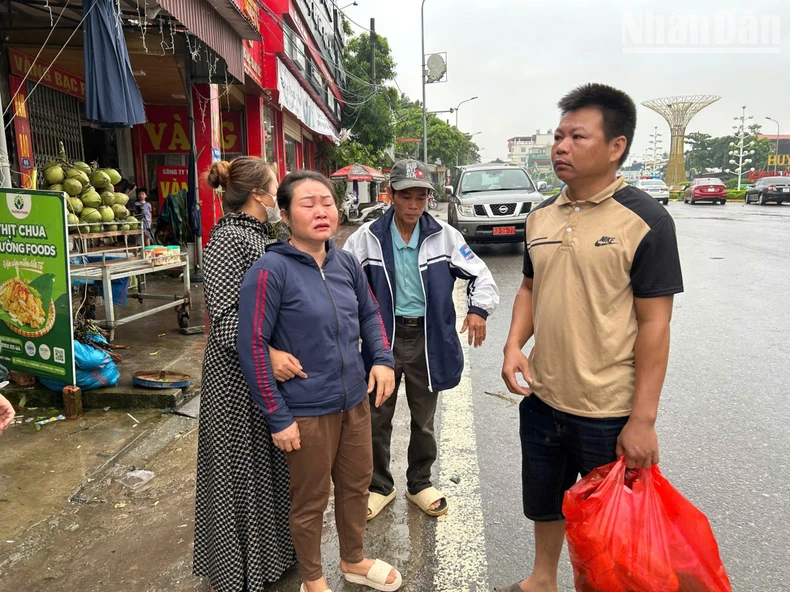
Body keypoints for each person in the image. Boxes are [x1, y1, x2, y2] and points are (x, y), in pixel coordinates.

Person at [496, 83, 683, 592]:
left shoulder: (645, 220)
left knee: (609, 520)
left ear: (616, 146)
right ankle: (541, 579)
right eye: (559, 135)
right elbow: (531, 288)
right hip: (544, 397)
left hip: (608, 408)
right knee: (546, 498)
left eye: (578, 136)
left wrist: (642, 419)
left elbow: (655, 324)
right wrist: (514, 344)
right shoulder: (540, 217)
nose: (562, 146)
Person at [238, 170, 402, 592]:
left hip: (354, 401)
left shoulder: (345, 260)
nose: (321, 211)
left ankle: (354, 559)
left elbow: (369, 313)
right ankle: (312, 579)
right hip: (307, 409)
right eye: (307, 204)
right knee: (310, 501)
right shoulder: (269, 270)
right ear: (286, 215)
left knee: (356, 485)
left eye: (327, 202)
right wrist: (277, 416)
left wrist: (381, 359)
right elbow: (252, 344)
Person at [343, 158, 500, 520]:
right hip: (380, 341)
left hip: (427, 340)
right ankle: (379, 485)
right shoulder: (366, 237)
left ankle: (420, 482)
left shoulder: (445, 236)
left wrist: (478, 310)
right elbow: (340, 282)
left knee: (423, 419)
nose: (414, 205)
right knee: (377, 418)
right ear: (390, 195)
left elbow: (481, 275)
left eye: (421, 197)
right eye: (406, 196)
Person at [194, 157, 300, 591]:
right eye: (275, 186)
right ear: (259, 194)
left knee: (269, 466)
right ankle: (239, 573)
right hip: (235, 378)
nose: (278, 194)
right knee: (239, 471)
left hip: (263, 371)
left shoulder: (263, 236)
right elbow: (224, 321)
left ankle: (271, 560)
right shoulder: (227, 241)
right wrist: (269, 353)